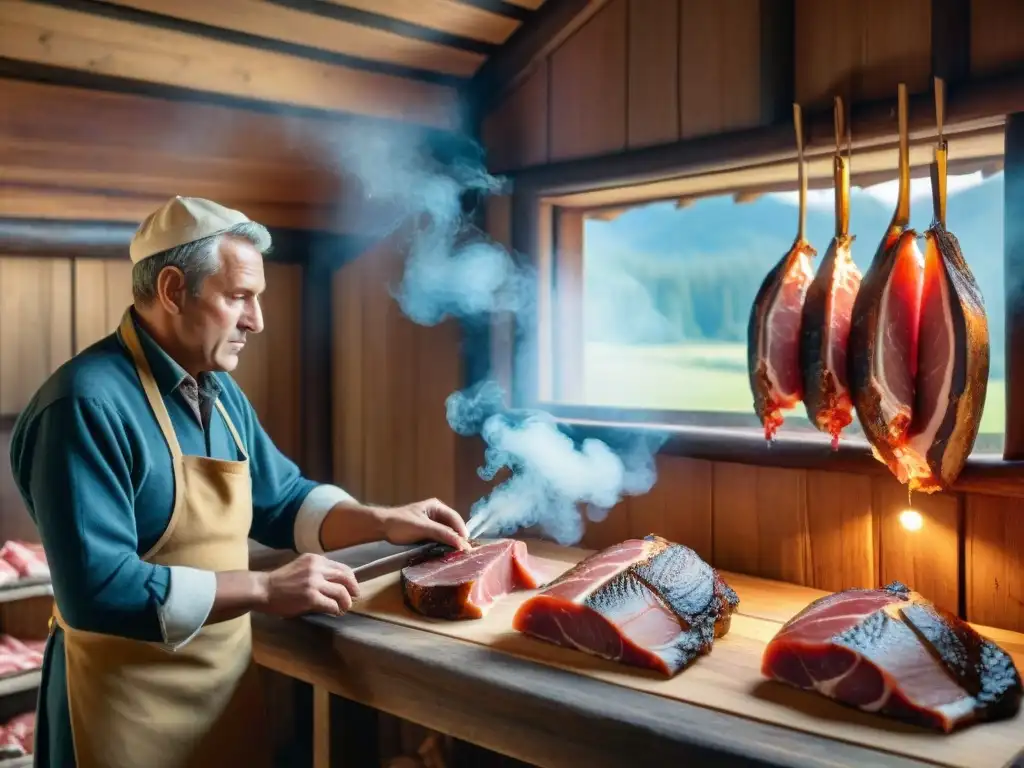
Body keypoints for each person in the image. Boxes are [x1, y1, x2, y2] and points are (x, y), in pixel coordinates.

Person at [8, 195, 471, 768]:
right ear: (174, 290)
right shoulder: (83, 404)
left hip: (218, 699)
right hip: (118, 710)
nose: (256, 320)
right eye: (238, 298)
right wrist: (264, 589)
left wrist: (382, 519)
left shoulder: (220, 394)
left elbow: (282, 501)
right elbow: (96, 591)